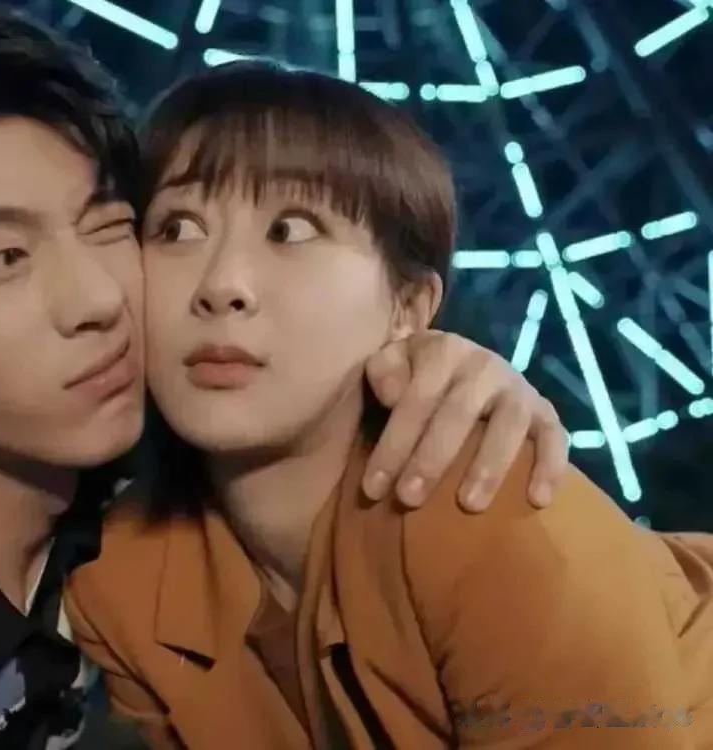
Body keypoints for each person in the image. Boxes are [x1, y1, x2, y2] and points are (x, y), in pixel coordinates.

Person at [0, 4, 568, 748]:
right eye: (4, 258)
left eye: (112, 227)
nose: (97, 301)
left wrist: (450, 375)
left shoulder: (173, 415)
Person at [65, 61, 713, 748]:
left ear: (408, 308)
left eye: (291, 230)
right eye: (176, 229)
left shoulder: (484, 509)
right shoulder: (121, 582)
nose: (222, 285)